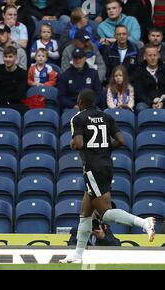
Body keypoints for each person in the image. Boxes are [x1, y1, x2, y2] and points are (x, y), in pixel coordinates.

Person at [60, 89, 156, 264]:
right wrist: (104, 148)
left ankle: (144, 223)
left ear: (80, 102)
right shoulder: (106, 116)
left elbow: (79, 143)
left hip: (92, 168)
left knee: (104, 213)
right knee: (85, 214)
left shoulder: (78, 118)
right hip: (106, 165)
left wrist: (72, 143)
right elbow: (121, 141)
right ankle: (78, 253)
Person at [0, 46, 28, 114]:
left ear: (15, 57)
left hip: (15, 104)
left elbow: (20, 95)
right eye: (5, 56)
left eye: (10, 57)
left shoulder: (22, 73)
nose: (7, 59)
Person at [132, 44, 165, 112]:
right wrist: (151, 103)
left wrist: (162, 102)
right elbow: (139, 93)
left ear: (158, 56)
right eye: (149, 55)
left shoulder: (164, 69)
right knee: (140, 107)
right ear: (145, 56)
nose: (152, 58)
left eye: (154, 55)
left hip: (163, 101)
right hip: (146, 102)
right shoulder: (139, 71)